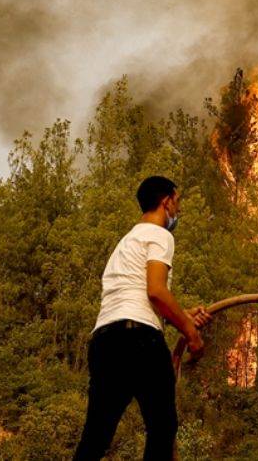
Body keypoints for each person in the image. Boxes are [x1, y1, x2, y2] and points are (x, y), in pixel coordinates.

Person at [74, 176, 212, 460]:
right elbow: (156, 292)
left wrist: (182, 315)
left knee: (96, 436)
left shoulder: (126, 242)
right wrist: (191, 334)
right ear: (167, 201)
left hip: (104, 343)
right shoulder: (160, 235)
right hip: (139, 341)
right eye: (178, 202)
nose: (178, 210)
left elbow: (133, 297)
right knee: (162, 427)